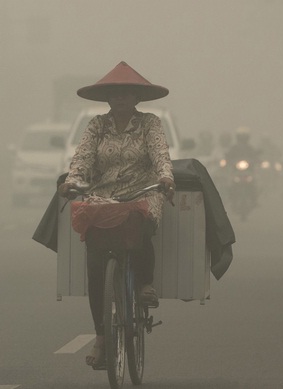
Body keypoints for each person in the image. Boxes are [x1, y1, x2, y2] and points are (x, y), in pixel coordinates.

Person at [57, 61, 175, 368]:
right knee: (96, 268)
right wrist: (72, 181)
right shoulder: (97, 125)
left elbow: (161, 153)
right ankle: (101, 338)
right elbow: (82, 157)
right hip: (103, 195)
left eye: (126, 93)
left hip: (142, 192)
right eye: (115, 94)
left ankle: (145, 283)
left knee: (141, 225)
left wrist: (166, 177)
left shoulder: (150, 123)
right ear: (108, 99)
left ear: (137, 98)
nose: (120, 99)